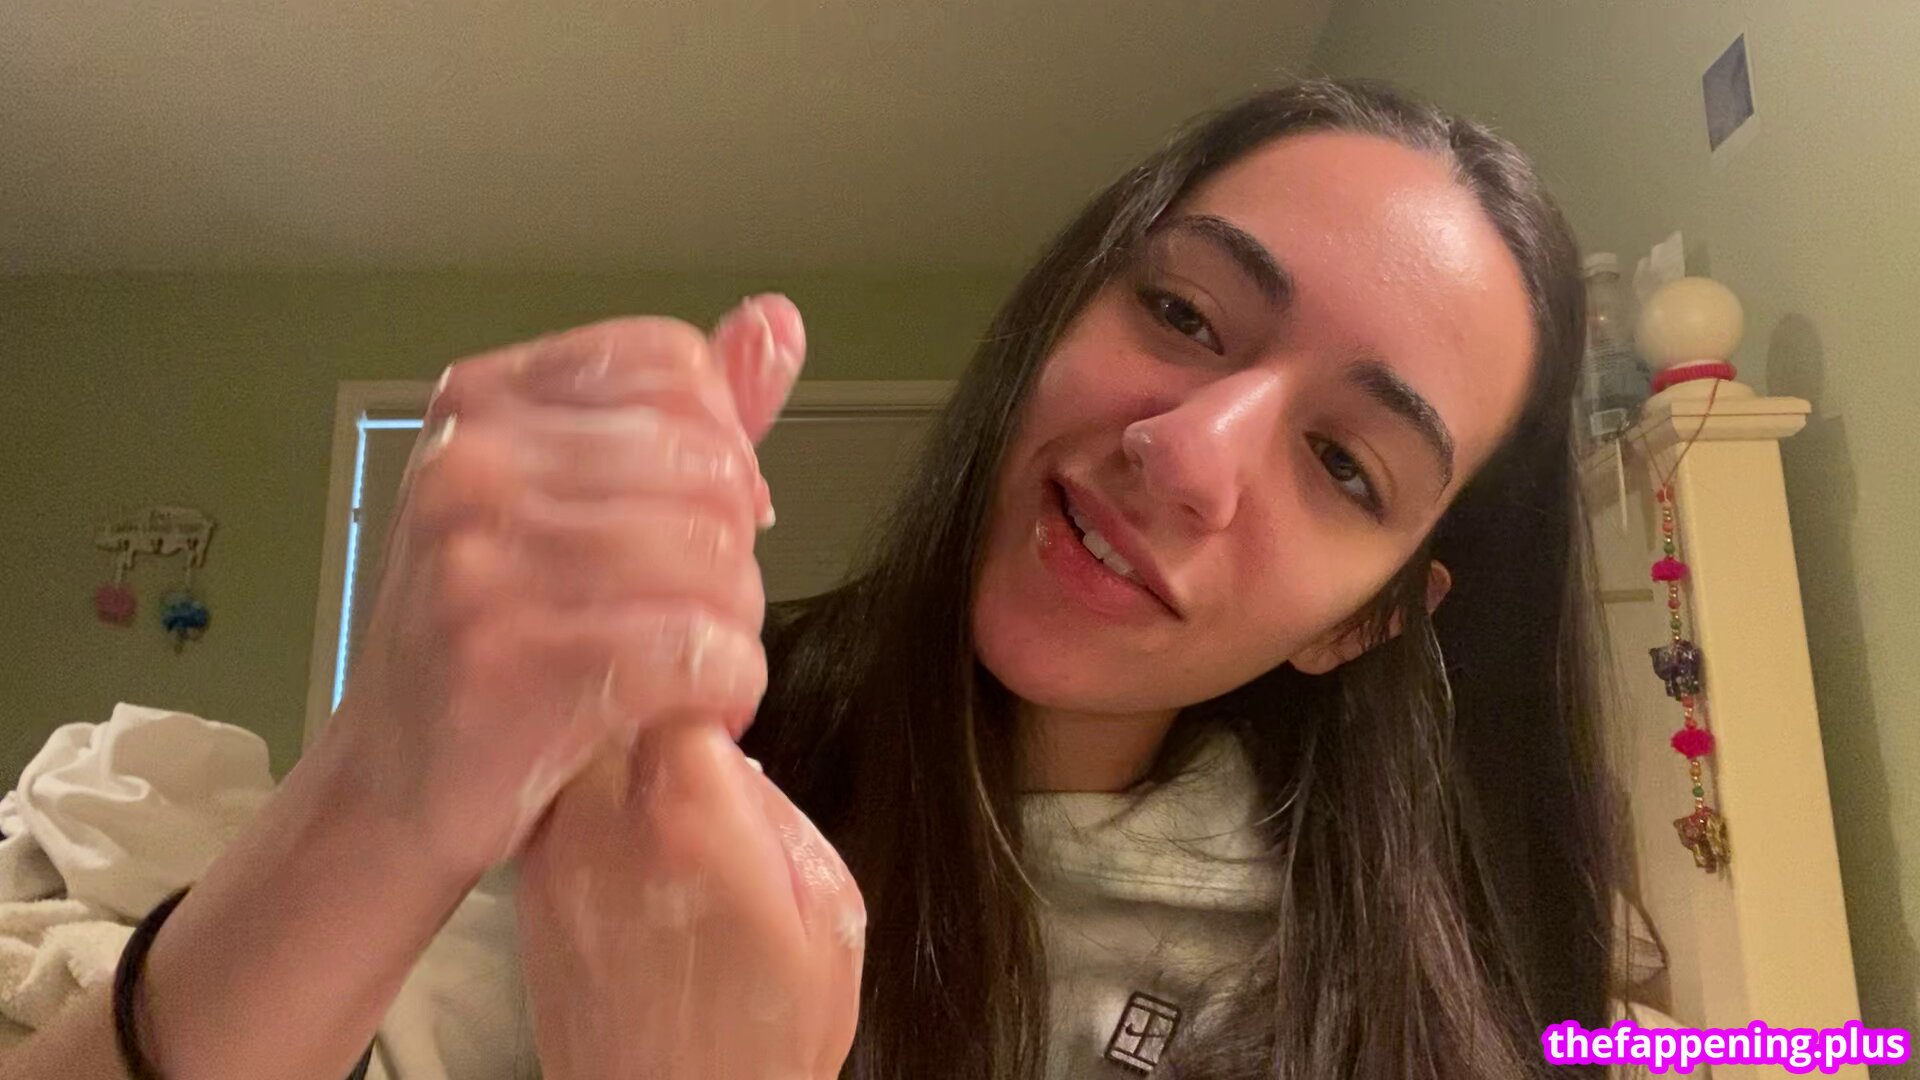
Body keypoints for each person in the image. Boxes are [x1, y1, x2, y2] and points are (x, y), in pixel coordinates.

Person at [4, 77, 1613, 1080]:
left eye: (1344, 466)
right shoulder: (657, 783)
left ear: (1367, 618)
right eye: (1182, 315)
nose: (1189, 452)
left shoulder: (1386, 1017)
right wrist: (384, 785)